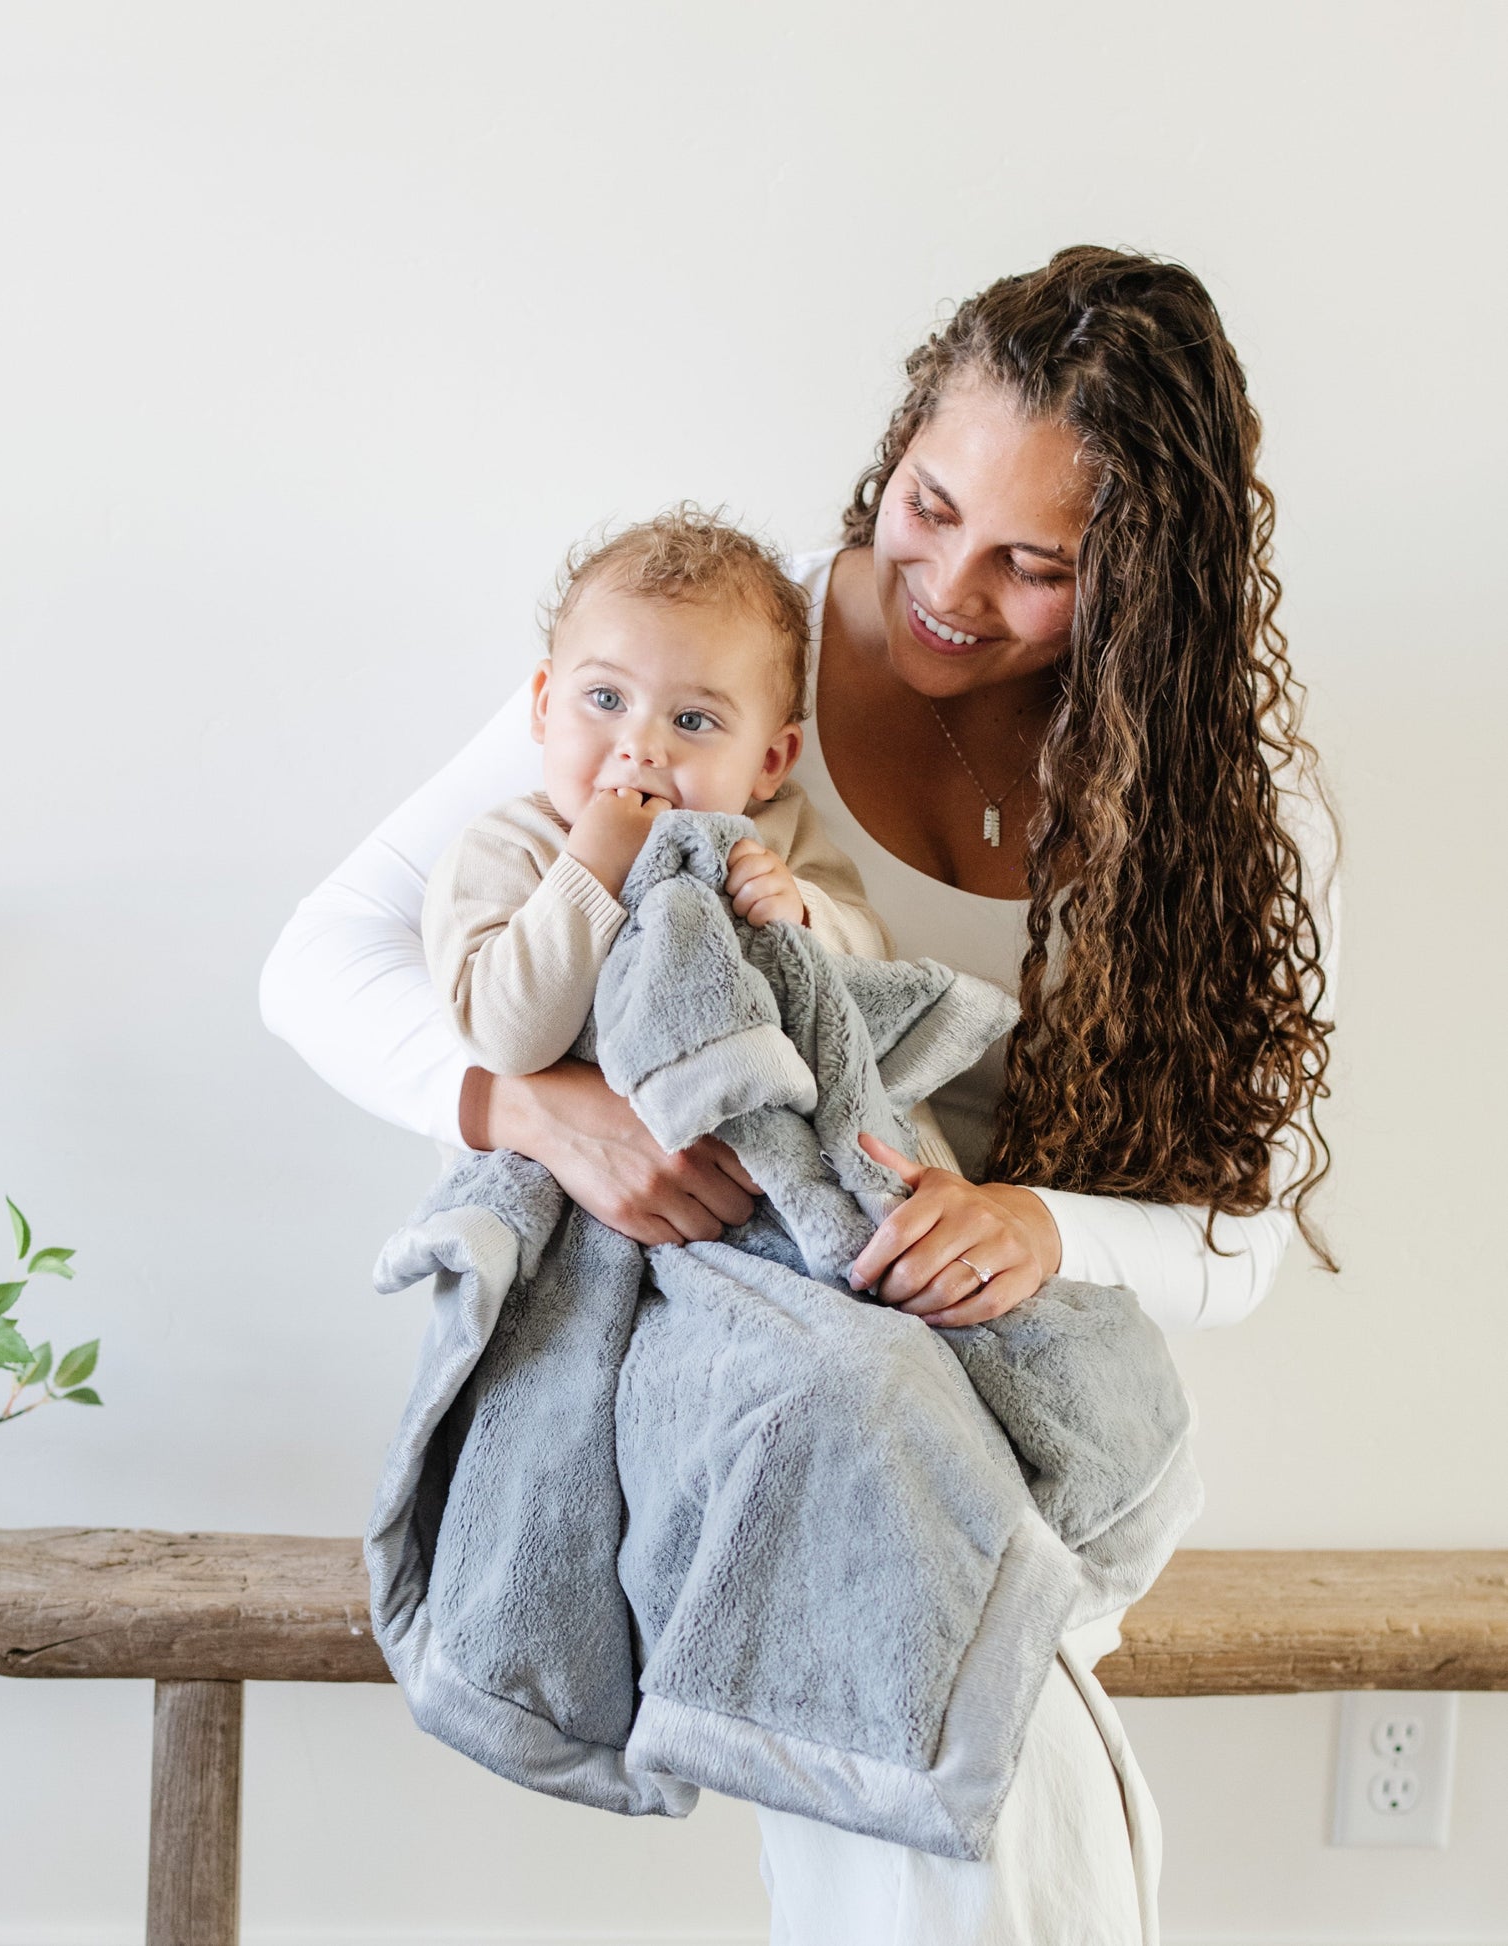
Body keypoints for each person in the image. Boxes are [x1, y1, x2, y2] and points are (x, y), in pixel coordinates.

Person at [260, 246, 1336, 1942]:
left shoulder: (1216, 814)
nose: (950, 588)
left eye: (1034, 566)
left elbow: (1240, 1236)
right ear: (899, 436)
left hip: (999, 1385)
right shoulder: (709, 660)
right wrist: (545, 1116)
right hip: (753, 1347)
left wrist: (1038, 1226)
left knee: (944, 1674)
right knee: (910, 1615)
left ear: (1140, 587)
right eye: (927, 504)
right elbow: (320, 960)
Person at [425, 503, 961, 1175]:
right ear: (542, 703)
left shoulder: (771, 836)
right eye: (607, 699)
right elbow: (507, 1040)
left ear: (770, 761)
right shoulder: (510, 849)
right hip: (605, 1183)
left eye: (692, 719)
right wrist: (590, 871)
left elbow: (870, 962)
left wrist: (800, 913)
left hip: (778, 1155)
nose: (641, 747)